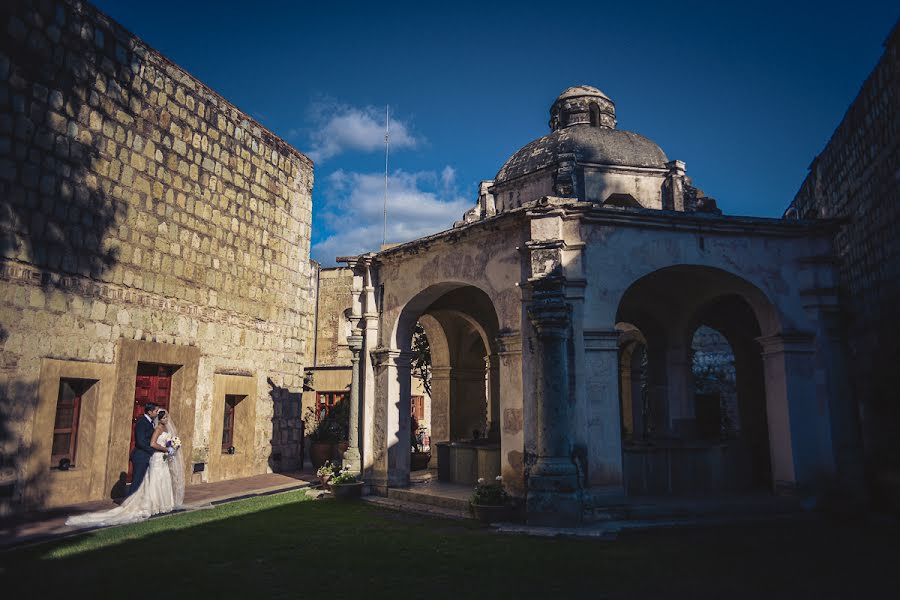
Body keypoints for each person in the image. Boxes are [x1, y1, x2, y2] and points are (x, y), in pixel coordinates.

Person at [66, 409, 185, 528]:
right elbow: (152, 443)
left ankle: (164, 504)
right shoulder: (157, 428)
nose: (166, 419)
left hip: (161, 458)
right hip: (156, 457)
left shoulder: (163, 428)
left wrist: (172, 446)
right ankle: (149, 505)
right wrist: (165, 449)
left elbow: (165, 441)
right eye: (164, 418)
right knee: (154, 480)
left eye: (167, 417)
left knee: (163, 479)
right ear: (158, 417)